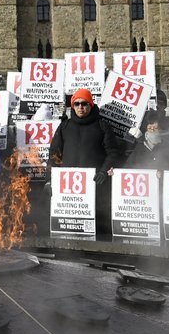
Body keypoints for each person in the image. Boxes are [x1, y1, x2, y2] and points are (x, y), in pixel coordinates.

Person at [49, 88, 121, 233]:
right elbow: (54, 155)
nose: (80, 107)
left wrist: (103, 172)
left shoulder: (102, 126)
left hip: (95, 186)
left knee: (97, 228)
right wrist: (49, 179)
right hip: (68, 190)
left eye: (84, 103)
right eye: (77, 104)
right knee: (68, 227)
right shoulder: (65, 126)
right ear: (72, 106)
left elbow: (113, 153)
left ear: (91, 105)